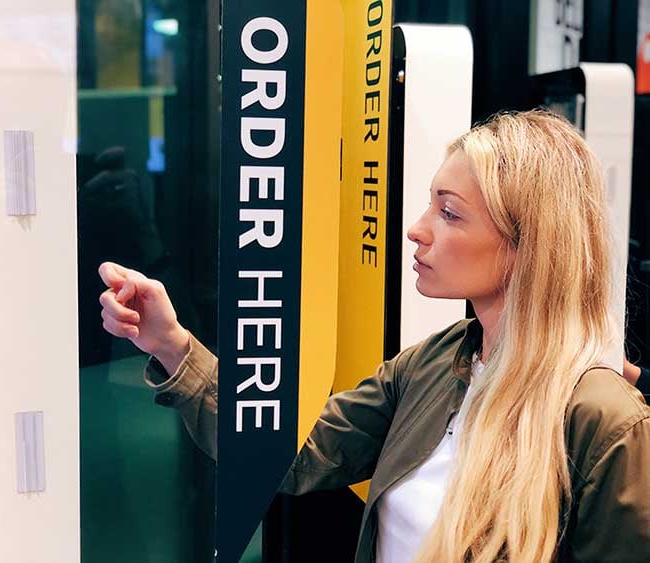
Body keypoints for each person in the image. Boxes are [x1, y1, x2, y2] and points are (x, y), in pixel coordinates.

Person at [98, 110, 650, 562]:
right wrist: (173, 345)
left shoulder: (602, 421)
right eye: (433, 202)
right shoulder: (439, 362)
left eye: (450, 213)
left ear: (526, 245)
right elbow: (298, 451)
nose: (418, 227)